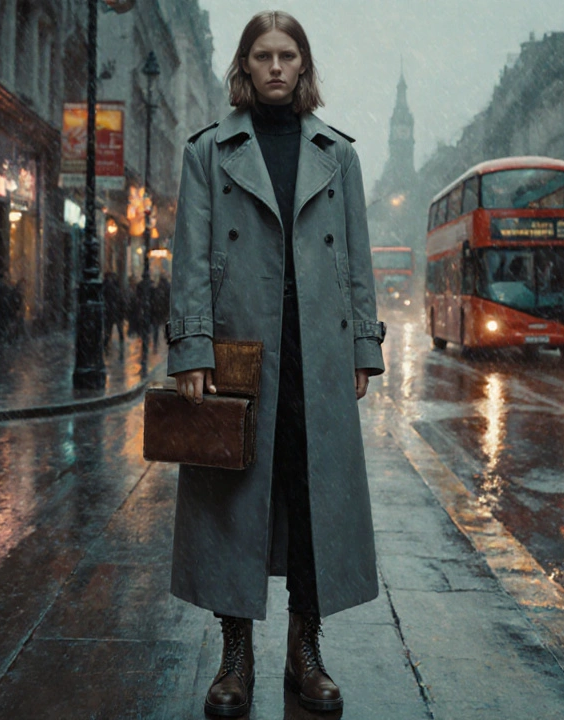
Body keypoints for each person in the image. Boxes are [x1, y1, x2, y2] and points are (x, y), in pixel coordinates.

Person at [165, 11, 385, 716]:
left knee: (313, 498)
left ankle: (305, 650)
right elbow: (192, 259)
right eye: (263, 55)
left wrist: (364, 349)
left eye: (289, 54)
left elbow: (355, 261)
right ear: (246, 66)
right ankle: (236, 659)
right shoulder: (209, 150)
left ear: (303, 65)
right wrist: (191, 348)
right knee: (234, 500)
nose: (277, 67)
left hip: (316, 350)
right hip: (240, 348)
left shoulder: (337, 153)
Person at [102, 271, 123, 350]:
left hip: (111, 311)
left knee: (109, 330)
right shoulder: (112, 286)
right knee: (113, 329)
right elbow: (120, 299)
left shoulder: (107, 286)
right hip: (113, 311)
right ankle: (108, 345)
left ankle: (106, 345)